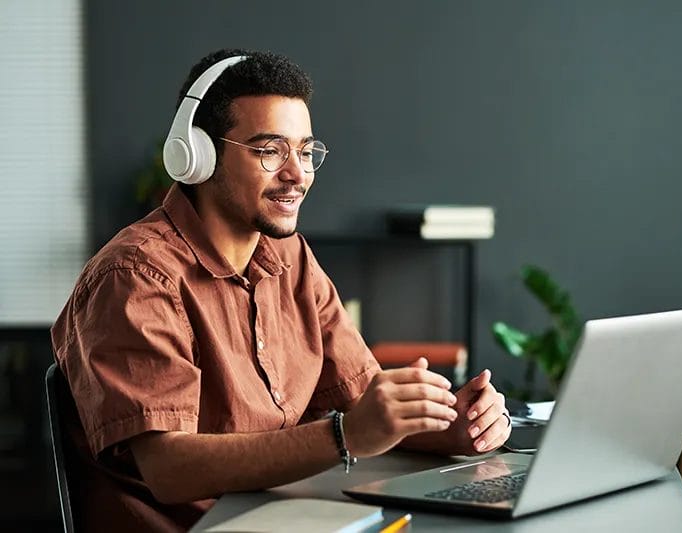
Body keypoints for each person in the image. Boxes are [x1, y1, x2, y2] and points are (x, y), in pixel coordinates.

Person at [51, 48, 511, 532]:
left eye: (306, 151)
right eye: (270, 150)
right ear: (198, 155)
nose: (298, 173)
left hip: (292, 517)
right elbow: (167, 468)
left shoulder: (290, 259)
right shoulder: (135, 276)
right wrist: (345, 435)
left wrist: (453, 427)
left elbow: (366, 405)